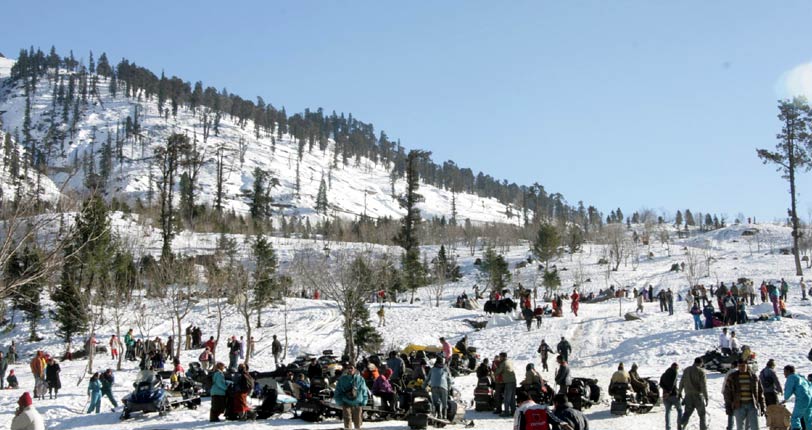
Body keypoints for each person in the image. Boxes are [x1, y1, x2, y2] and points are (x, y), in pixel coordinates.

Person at [723, 360, 765, 430]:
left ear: (747, 366)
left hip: (752, 405)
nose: (741, 368)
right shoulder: (732, 377)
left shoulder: (753, 377)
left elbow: (760, 392)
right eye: (740, 366)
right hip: (738, 405)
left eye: (743, 366)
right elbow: (727, 392)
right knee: (740, 427)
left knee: (755, 427)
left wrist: (763, 406)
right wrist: (728, 405)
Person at [334, 365, 369, 430]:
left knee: (358, 422)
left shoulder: (360, 379)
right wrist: (339, 401)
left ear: (355, 369)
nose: (350, 370)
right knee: (347, 421)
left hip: (357, 403)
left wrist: (364, 400)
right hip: (346, 402)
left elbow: (364, 390)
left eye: (351, 368)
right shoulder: (342, 379)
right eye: (348, 368)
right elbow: (337, 391)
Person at [678, 357, 708, 430]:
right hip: (698, 396)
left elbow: (681, 382)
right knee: (702, 415)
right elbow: (703, 386)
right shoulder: (701, 371)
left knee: (687, 413)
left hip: (688, 396)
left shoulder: (686, 370)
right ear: (701, 363)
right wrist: (706, 397)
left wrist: (679, 392)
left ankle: (681, 424)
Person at [783, 364, 812, 430]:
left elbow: (789, 389)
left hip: (802, 398)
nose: (784, 373)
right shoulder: (801, 377)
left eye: (784, 371)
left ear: (788, 371)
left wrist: (785, 398)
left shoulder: (791, 377)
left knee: (795, 417)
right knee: (808, 417)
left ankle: (797, 429)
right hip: (810, 397)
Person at [660, 362, 682, 430]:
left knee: (668, 412)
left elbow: (660, 384)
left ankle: (668, 428)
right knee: (679, 410)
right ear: (675, 368)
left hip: (665, 396)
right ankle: (679, 426)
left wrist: (665, 391)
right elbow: (673, 383)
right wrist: (669, 391)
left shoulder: (663, 374)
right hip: (673, 395)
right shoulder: (675, 372)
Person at [494, 352, 517, 417]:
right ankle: (513, 411)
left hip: (508, 382)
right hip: (513, 381)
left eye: (500, 357)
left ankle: (506, 412)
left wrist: (496, 366)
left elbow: (497, 372)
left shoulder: (503, 363)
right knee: (512, 398)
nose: (499, 358)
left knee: (507, 398)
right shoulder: (509, 361)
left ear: (503, 357)